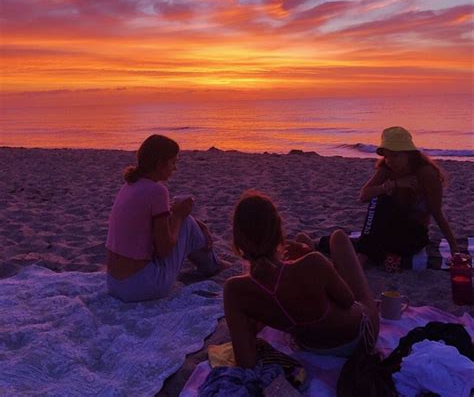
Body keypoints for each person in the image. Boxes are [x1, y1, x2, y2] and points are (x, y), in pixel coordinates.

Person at [224, 190, 379, 368]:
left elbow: (246, 361)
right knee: (338, 238)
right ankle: (312, 250)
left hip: (310, 345)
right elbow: (347, 300)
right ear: (278, 232)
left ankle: (308, 249)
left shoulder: (234, 290)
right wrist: (316, 261)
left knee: (303, 241)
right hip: (359, 339)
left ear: (238, 240)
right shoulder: (314, 263)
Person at [106, 134, 227, 302]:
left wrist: (193, 221)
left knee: (187, 220)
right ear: (160, 164)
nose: (175, 168)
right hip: (142, 287)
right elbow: (164, 250)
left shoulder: (129, 185)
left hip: (114, 283)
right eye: (173, 162)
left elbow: (154, 222)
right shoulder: (158, 191)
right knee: (185, 222)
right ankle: (211, 265)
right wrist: (178, 215)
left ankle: (211, 263)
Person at [357, 126, 459, 265]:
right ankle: (364, 251)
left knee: (366, 241)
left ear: (409, 154)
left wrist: (454, 248)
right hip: (390, 230)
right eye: (386, 156)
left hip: (413, 236)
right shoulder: (388, 169)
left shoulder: (426, 174)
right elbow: (364, 195)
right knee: (380, 199)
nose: (390, 160)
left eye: (395, 155)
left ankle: (364, 253)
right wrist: (394, 184)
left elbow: (437, 213)